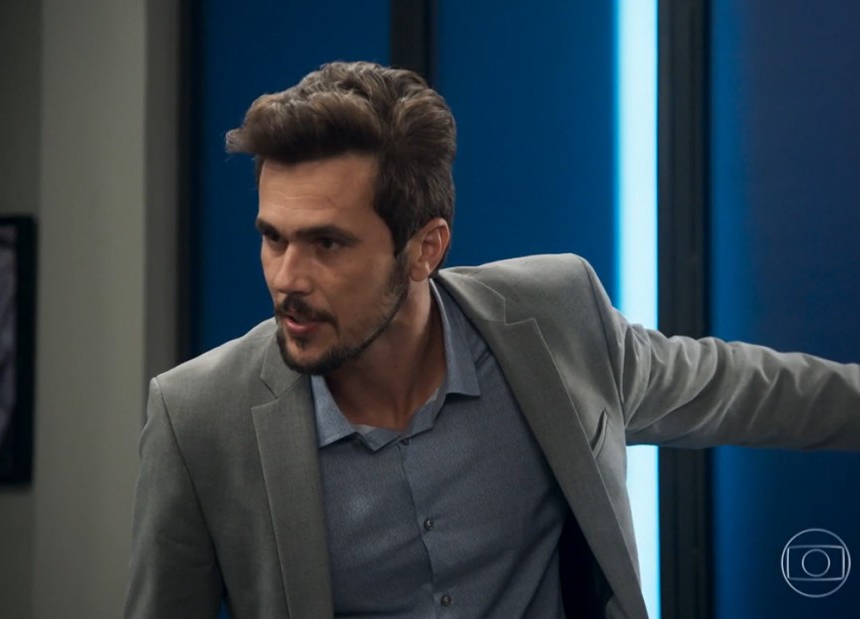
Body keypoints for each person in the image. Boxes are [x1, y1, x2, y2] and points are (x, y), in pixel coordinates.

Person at [123, 61, 860, 619]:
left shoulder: (556, 320)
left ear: (425, 249)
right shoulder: (199, 417)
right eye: (273, 238)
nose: (288, 278)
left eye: (328, 243)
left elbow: (742, 390)